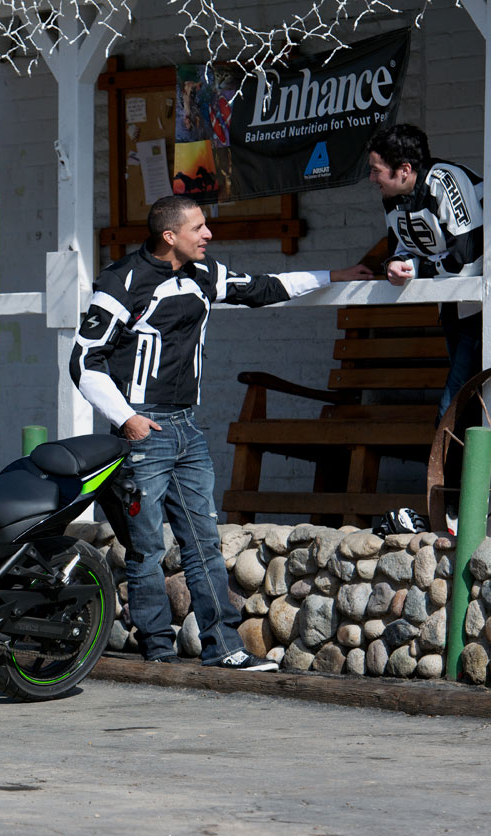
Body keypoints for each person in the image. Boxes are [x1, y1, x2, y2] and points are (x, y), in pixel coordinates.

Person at [70, 195, 373, 669]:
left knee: (203, 542)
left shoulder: (204, 274)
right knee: (146, 548)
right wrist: (126, 418)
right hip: (143, 430)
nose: (208, 234)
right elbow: (84, 360)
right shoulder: (121, 280)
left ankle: (225, 649)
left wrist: (336, 275)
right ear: (170, 236)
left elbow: (268, 287)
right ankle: (157, 654)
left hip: (187, 429)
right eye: (199, 228)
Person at [366, 124, 484, 417]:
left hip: (481, 303)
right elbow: (403, 249)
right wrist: (394, 264)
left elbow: (468, 260)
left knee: (453, 405)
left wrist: (416, 268)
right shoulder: (392, 196)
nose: (371, 177)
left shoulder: (445, 181)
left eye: (376, 169)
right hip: (454, 304)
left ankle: (447, 462)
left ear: (404, 170)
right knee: (464, 401)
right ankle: (459, 461)